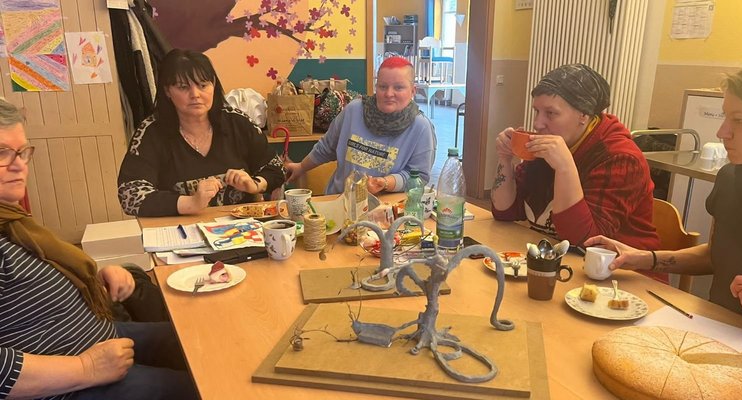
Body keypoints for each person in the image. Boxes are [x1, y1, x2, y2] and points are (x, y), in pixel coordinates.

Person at [585, 50, 742, 334]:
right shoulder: (733, 177)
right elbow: (718, 254)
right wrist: (645, 257)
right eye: (725, 117)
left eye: (740, 121)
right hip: (720, 328)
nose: (722, 132)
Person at [0, 99, 197, 399]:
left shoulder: (11, 220)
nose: (19, 165)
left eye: (23, 151)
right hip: (69, 383)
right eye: (3, 153)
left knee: (204, 339)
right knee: (205, 386)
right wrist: (86, 368)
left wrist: (96, 279)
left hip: (101, 338)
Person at [491, 64, 660, 251]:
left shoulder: (622, 159)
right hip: (560, 261)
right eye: (536, 111)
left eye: (551, 113)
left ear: (583, 115)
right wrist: (504, 158)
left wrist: (564, 167)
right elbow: (505, 212)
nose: (537, 124)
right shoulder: (553, 142)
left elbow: (585, 240)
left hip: (625, 274)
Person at [117, 48, 285, 217]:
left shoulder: (237, 122)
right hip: (178, 232)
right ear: (167, 91)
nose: (195, 95)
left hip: (241, 230)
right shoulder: (151, 132)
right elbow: (129, 194)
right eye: (183, 87)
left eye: (203, 85)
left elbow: (276, 168)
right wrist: (190, 203)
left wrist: (254, 184)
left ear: (213, 85)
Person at [284, 57, 436, 195]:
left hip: (384, 210)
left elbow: (419, 177)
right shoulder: (354, 110)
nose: (389, 94)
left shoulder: (421, 127)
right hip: (339, 203)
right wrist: (301, 167)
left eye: (398, 87)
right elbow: (326, 147)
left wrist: (385, 183)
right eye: (383, 86)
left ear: (413, 91)